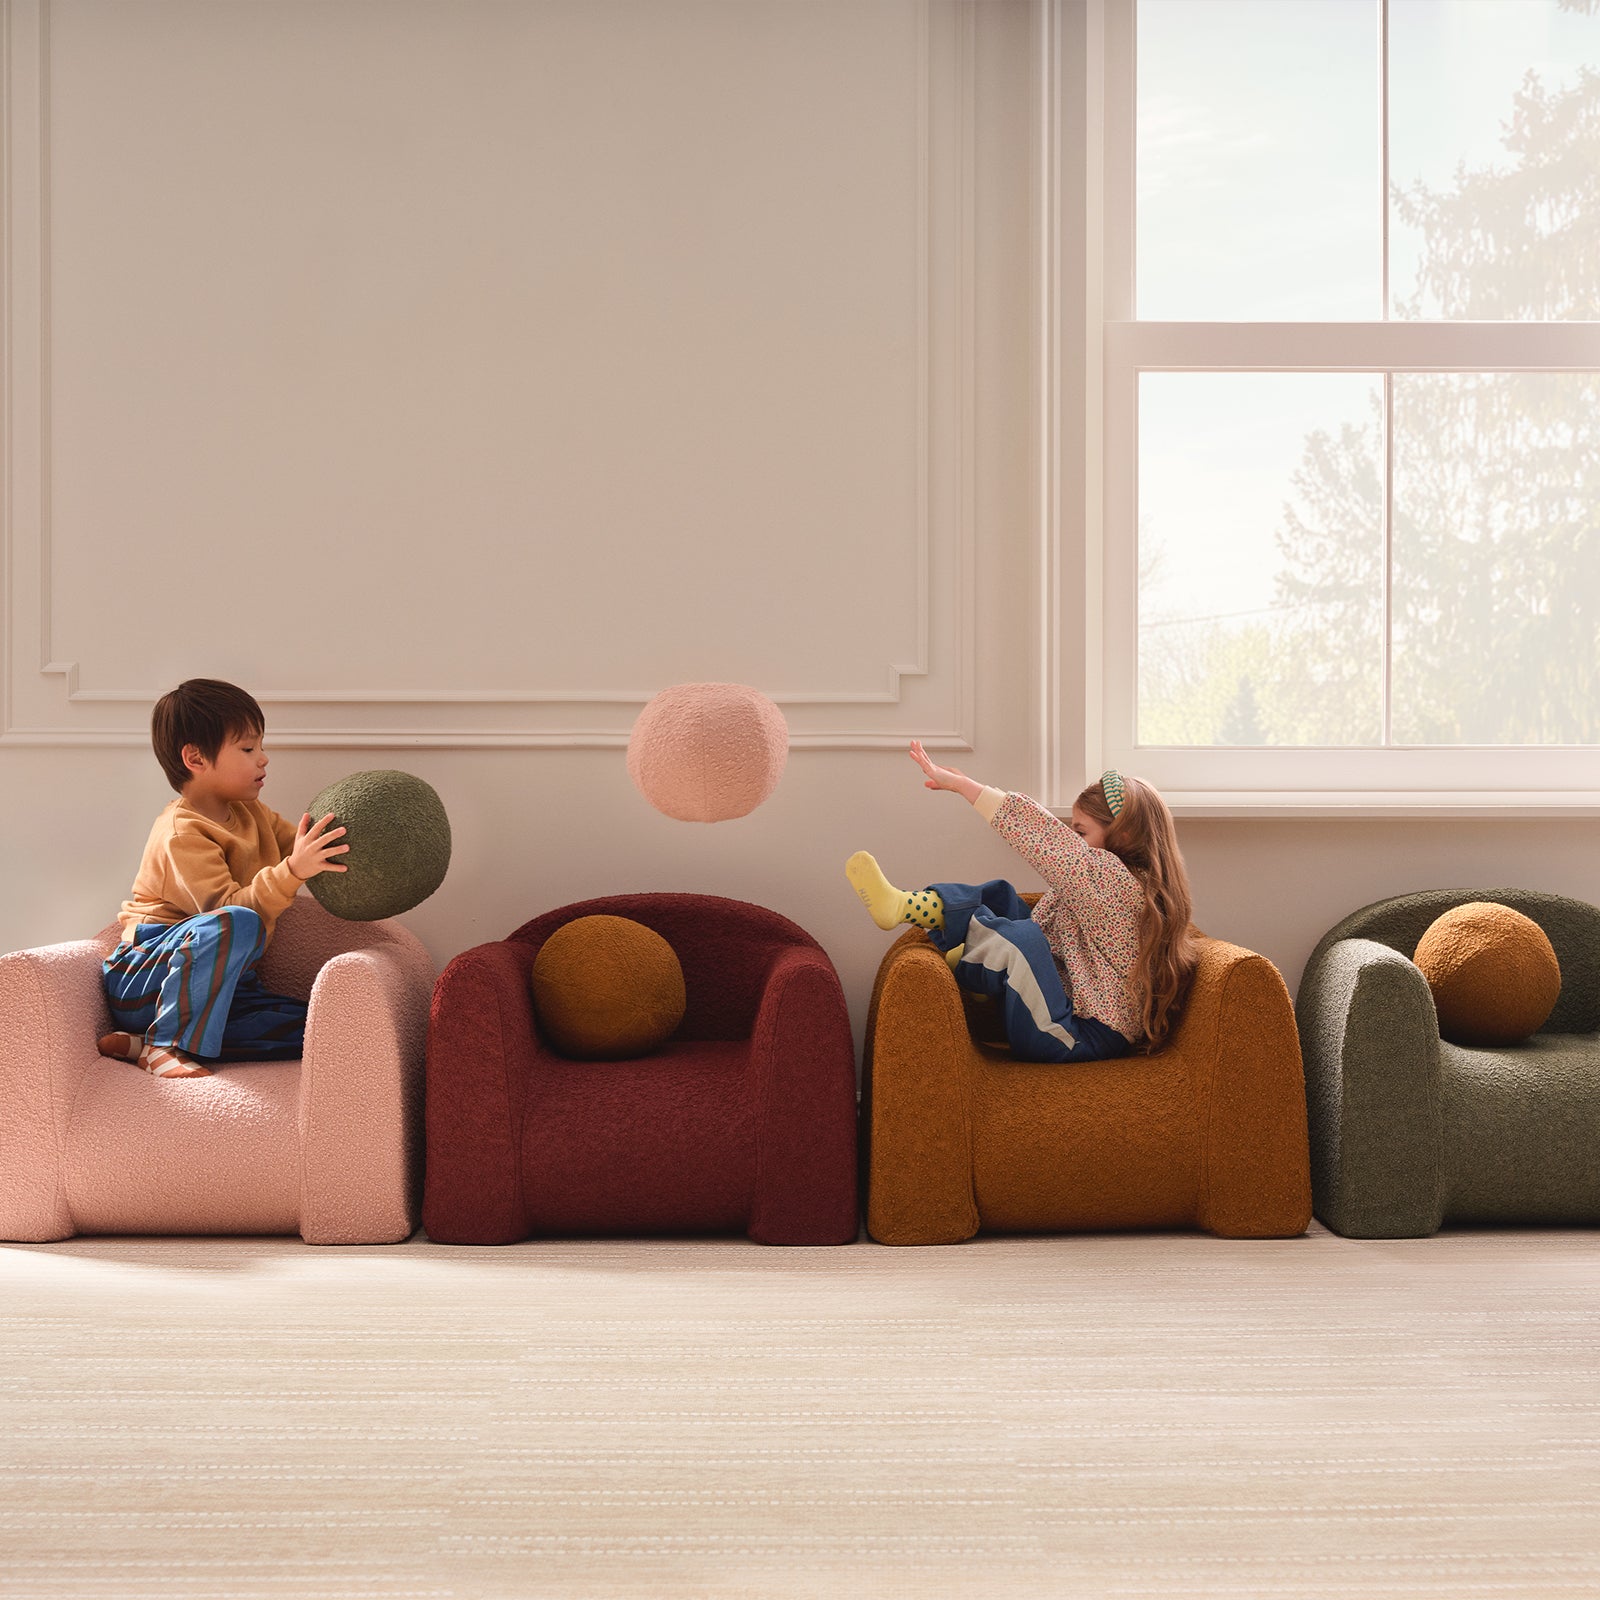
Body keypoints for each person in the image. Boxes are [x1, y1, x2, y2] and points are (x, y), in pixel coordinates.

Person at [846, 741, 1197, 1063]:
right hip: (1064, 1005)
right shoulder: (1110, 883)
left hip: (1072, 1035)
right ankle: (926, 922)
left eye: (1080, 832)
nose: (1073, 842)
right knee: (1004, 899)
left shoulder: (1113, 883)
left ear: (1121, 836)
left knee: (1024, 940)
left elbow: (1042, 838)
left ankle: (956, 950)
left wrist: (967, 788)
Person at [97, 679, 349, 1079]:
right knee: (238, 920)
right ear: (195, 758)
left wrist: (343, 842)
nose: (263, 759)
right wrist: (294, 870)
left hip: (220, 988)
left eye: (261, 746)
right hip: (146, 977)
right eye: (248, 749)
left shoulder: (253, 814)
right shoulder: (182, 831)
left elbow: (299, 843)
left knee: (325, 1029)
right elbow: (226, 912)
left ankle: (143, 1042)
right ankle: (164, 1045)